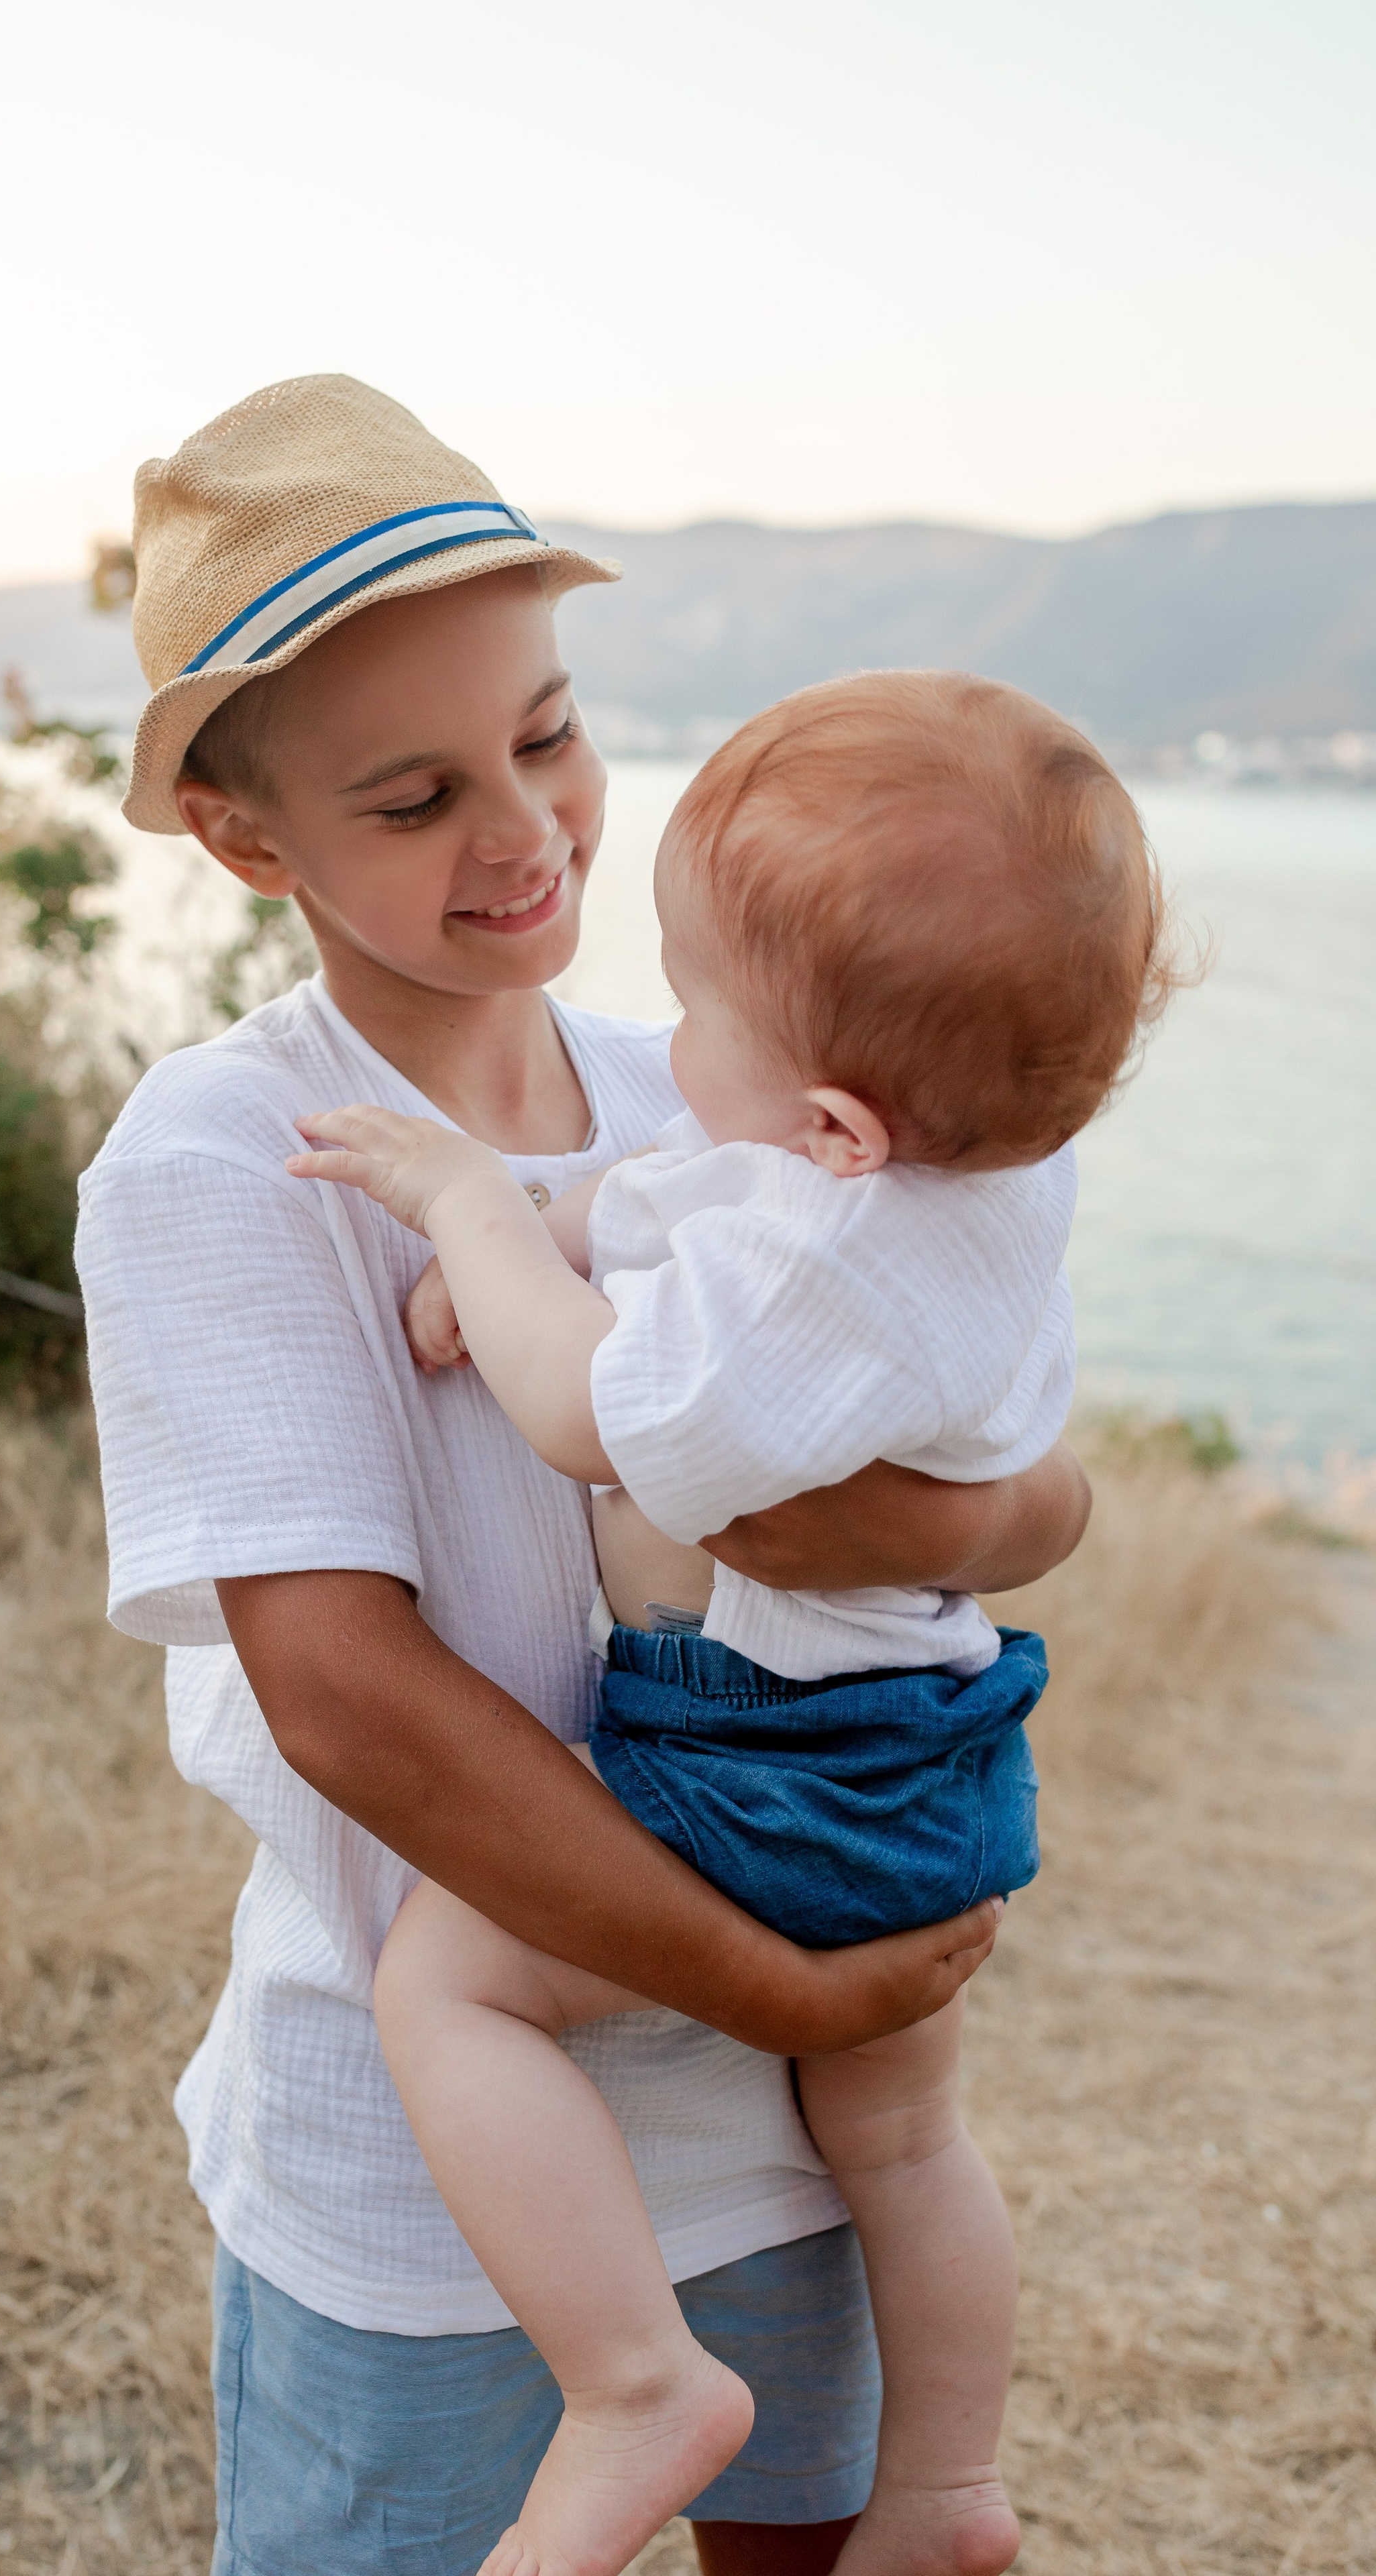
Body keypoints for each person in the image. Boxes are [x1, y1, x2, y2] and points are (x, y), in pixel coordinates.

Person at [76, 376, 1092, 2576]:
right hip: (433, 2196)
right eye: (417, 792)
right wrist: (785, 1981)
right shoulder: (234, 1152)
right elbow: (346, 1695)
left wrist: (960, 1528)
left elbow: (1026, 1494)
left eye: (544, 735)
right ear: (255, 843)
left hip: (766, 2152)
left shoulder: (716, 1091)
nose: (523, 828)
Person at [290, 671, 1180, 2576]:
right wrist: (591, 1222)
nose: (669, 1032)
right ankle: (943, 2484)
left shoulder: (810, 1264)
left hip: (769, 1765)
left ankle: (633, 2385)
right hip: (936, 1745)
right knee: (911, 2142)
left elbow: (592, 1416)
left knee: (450, 1990)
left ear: (841, 1125)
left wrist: (475, 1218)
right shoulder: (985, 1177)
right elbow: (706, 1192)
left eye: (697, 1007)